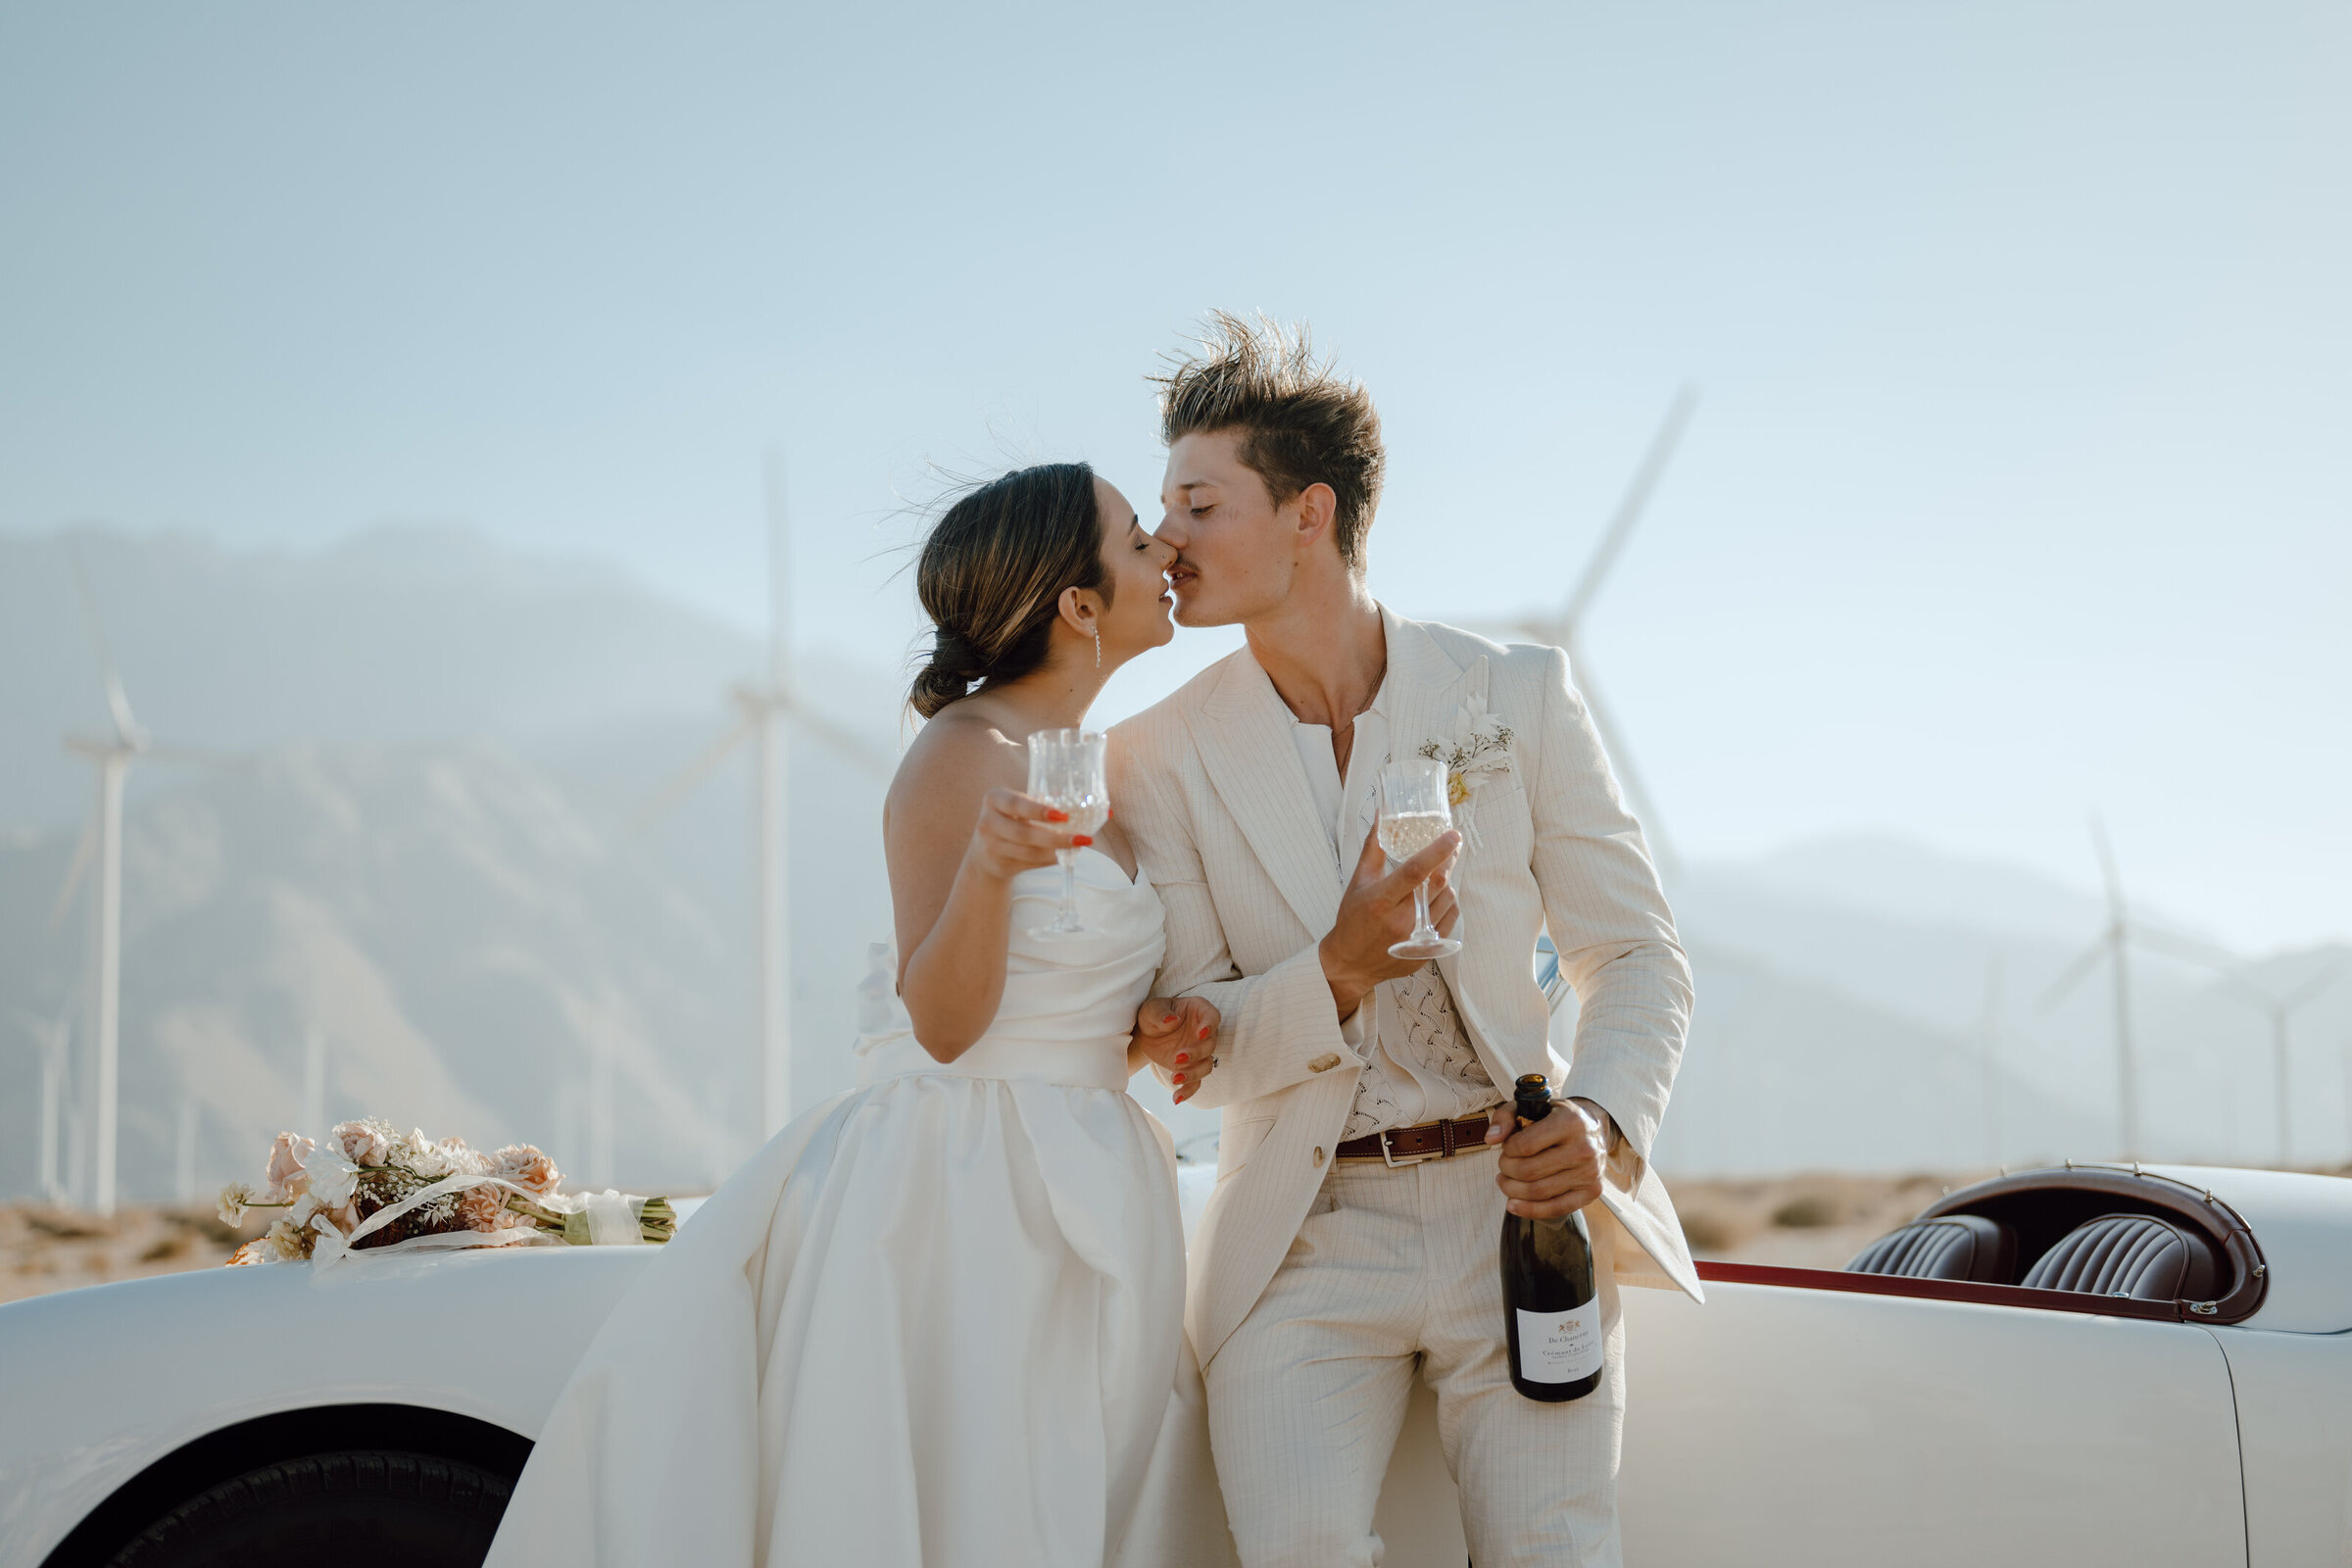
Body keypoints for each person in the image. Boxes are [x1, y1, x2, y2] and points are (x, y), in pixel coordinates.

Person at [485, 463, 1239, 1568]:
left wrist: (1144, 1029)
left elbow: (1065, 990)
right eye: (1136, 540)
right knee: (986, 1497)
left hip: (1098, 1172)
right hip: (971, 1190)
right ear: (1078, 604)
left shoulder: (1105, 775)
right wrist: (986, 868)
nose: (1166, 552)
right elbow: (942, 1020)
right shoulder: (958, 758)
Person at [1109, 315, 1701, 1568]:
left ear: (1309, 513)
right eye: (1161, 509)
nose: (1165, 540)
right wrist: (1334, 968)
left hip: (1524, 1214)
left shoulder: (1517, 694)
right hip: (1303, 1230)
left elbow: (1637, 954)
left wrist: (1599, 1123)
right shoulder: (1153, 756)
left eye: (1199, 505)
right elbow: (1194, 1051)